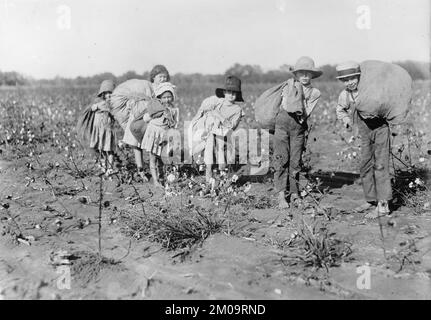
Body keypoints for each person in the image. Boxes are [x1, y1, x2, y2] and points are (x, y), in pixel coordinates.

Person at [335, 61, 391, 217]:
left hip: (380, 129)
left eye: (352, 78)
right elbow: (340, 110)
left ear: (359, 77)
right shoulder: (345, 95)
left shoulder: (370, 90)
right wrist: (346, 120)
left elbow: (386, 103)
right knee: (365, 165)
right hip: (364, 132)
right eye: (345, 80)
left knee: (380, 165)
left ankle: (383, 205)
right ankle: (371, 199)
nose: (350, 82)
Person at [273, 56, 322, 209]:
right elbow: (285, 106)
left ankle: (294, 193)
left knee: (295, 162)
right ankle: (281, 195)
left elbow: (306, 111)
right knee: (281, 160)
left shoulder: (314, 92)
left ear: (313, 75)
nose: (305, 76)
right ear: (296, 74)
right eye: (302, 73)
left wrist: (298, 101)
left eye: (308, 73)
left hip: (298, 128)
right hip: (281, 126)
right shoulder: (287, 86)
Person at [190, 75, 245, 183]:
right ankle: (209, 172)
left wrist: (220, 117)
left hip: (224, 134)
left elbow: (232, 126)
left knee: (220, 146)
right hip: (211, 131)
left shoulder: (237, 109)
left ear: (237, 95)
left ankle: (222, 171)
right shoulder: (218, 103)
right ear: (224, 93)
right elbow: (206, 113)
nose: (231, 95)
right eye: (229, 92)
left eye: (234, 93)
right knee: (209, 144)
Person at [121, 65, 170, 181]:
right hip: (141, 117)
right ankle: (140, 170)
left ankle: (158, 171)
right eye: (160, 76)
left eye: (164, 77)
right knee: (137, 144)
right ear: (153, 77)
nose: (162, 79)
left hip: (154, 121)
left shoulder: (166, 89)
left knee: (155, 144)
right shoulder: (147, 87)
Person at [141, 82, 179, 188]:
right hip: (154, 134)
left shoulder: (173, 110)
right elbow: (146, 118)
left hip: (164, 135)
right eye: (164, 97)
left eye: (169, 97)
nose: (167, 100)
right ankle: (156, 181)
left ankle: (162, 177)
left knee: (162, 158)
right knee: (153, 157)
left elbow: (175, 124)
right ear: (160, 98)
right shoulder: (155, 108)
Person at [88, 79, 117, 175]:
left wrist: (101, 107)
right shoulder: (98, 103)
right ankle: (104, 166)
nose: (109, 95)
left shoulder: (112, 104)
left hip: (108, 130)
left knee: (109, 150)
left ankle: (110, 168)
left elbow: (112, 112)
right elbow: (91, 108)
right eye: (106, 93)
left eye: (111, 93)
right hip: (99, 130)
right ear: (103, 94)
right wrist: (96, 106)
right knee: (102, 149)